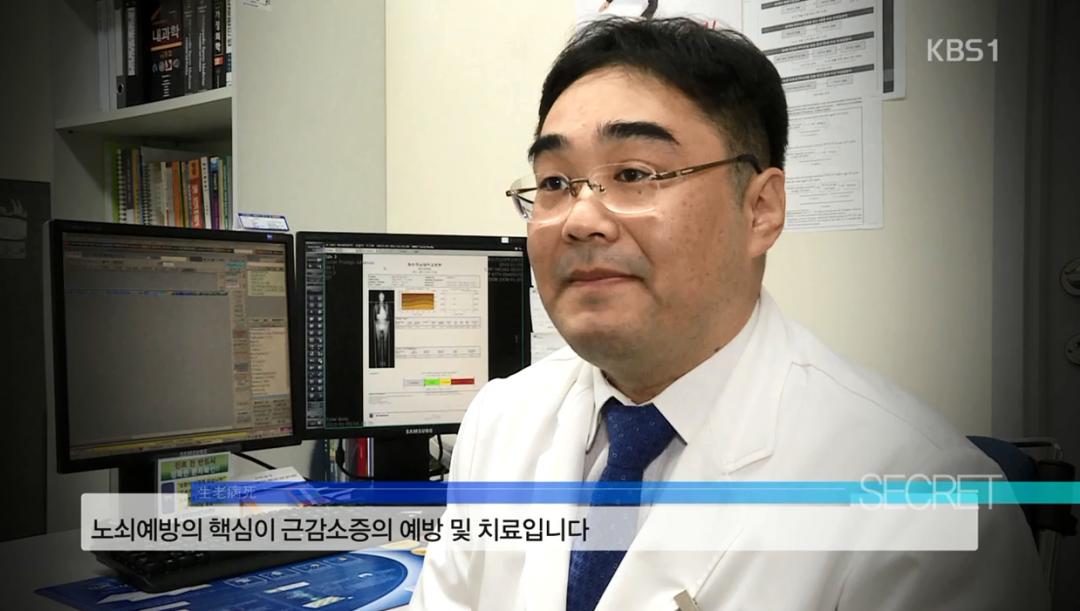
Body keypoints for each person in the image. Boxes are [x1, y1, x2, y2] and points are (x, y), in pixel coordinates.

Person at [410, 17, 1048, 611]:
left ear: (761, 209)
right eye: (554, 183)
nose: (580, 219)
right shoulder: (501, 421)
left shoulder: (926, 496)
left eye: (634, 173)